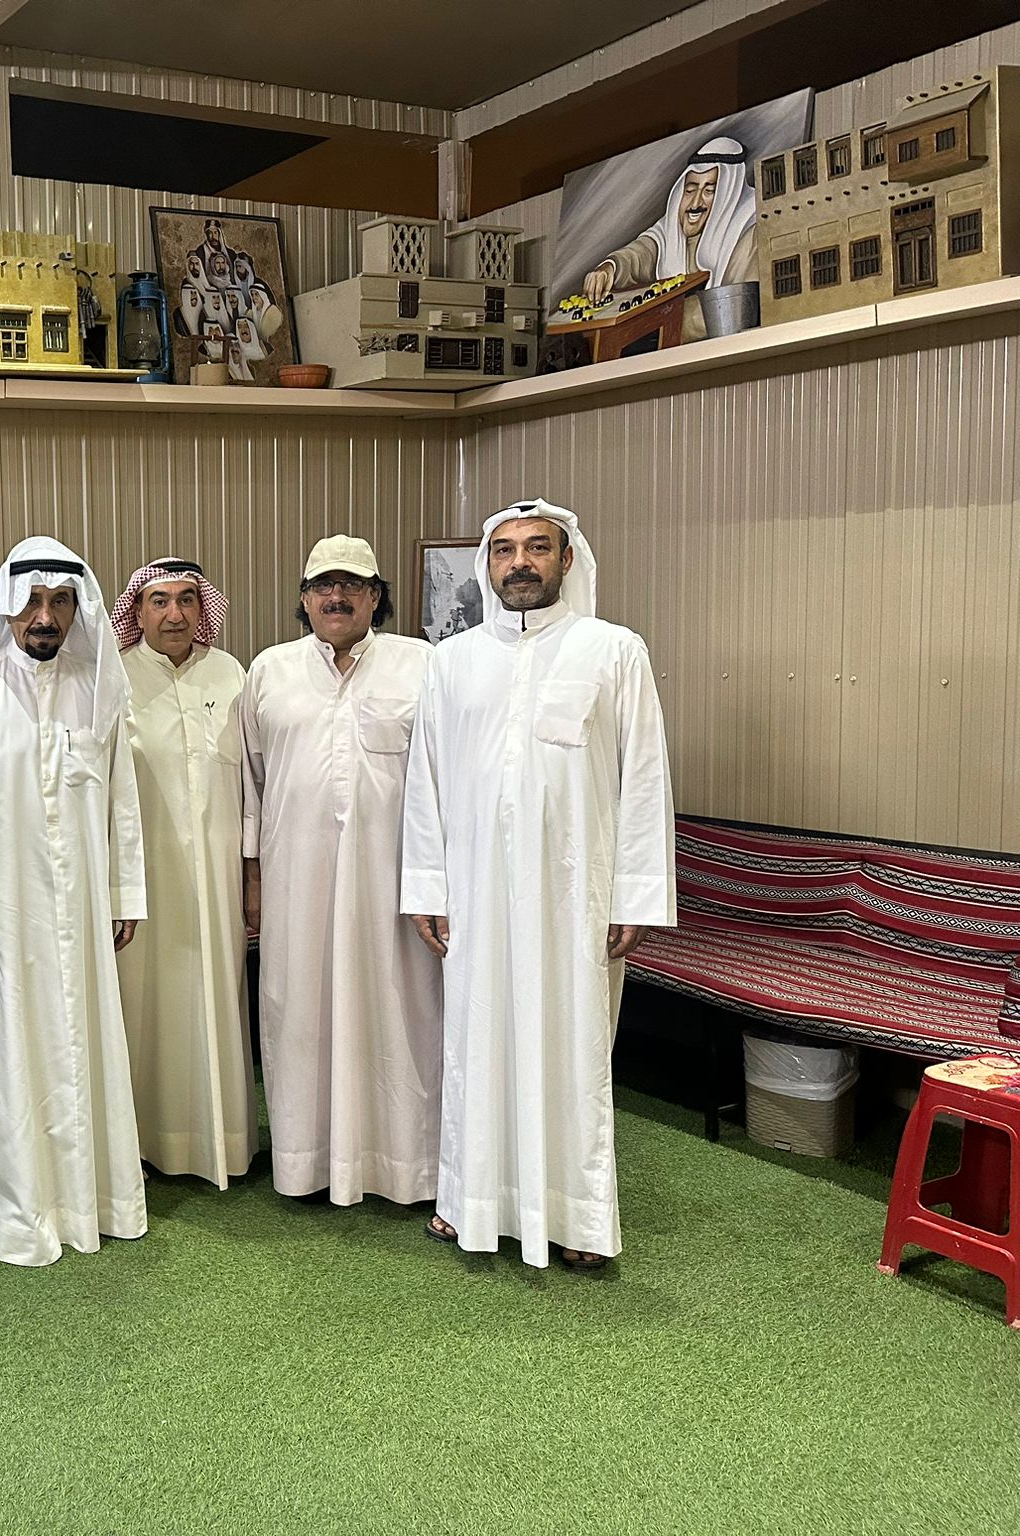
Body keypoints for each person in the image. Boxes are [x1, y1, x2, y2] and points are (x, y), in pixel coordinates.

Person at [401, 499, 675, 1271]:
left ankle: (577, 1217)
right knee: (475, 1043)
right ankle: (470, 1202)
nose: (520, 562)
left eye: (537, 548)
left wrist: (636, 894)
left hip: (574, 896)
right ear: (487, 566)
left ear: (566, 560)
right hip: (476, 894)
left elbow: (644, 777)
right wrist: (427, 886)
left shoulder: (613, 651)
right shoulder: (452, 661)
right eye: (505, 550)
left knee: (573, 1046)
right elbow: (426, 782)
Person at [0, 536, 147, 1265]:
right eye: (30, 602)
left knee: (85, 1042)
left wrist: (123, 894)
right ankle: (12, 1213)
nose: (45, 617)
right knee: (7, 1057)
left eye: (60, 602)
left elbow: (122, 802)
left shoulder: (99, 687)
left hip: (83, 910)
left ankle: (94, 1203)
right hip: (2, 913)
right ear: (6, 608)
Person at [241, 536, 442, 1208]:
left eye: (352, 585)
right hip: (296, 883)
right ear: (303, 599)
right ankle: (306, 1162)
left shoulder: (422, 665)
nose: (337, 597)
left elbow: (444, 783)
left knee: (404, 1014)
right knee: (299, 1012)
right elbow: (252, 786)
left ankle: (406, 1166)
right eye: (323, 586)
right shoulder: (269, 671)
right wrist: (253, 879)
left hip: (395, 887)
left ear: (376, 596)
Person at [109, 557, 255, 1188]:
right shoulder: (111, 677)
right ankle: (142, 1144)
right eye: (159, 601)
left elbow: (254, 779)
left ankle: (222, 1143)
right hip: (142, 876)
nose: (175, 614)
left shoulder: (232, 673)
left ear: (204, 610)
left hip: (219, 874)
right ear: (137, 613)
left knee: (218, 997)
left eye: (187, 600)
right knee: (143, 1004)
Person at [580, 137, 756, 342]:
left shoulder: (748, 230)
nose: (695, 203)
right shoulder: (673, 227)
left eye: (709, 191)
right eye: (690, 190)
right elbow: (643, 252)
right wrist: (610, 268)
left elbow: (731, 313)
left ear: (727, 194)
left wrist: (652, 323)